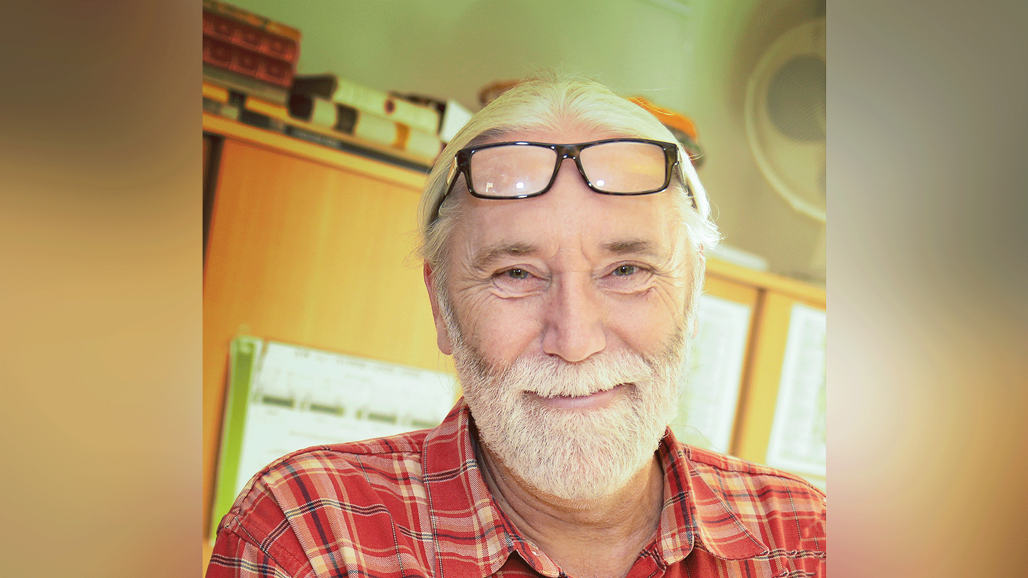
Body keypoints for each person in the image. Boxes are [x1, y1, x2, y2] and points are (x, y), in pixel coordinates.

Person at [206, 75, 827, 578]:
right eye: (516, 274)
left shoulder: (810, 544)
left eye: (626, 270)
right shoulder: (309, 539)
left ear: (692, 296)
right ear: (441, 306)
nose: (575, 340)